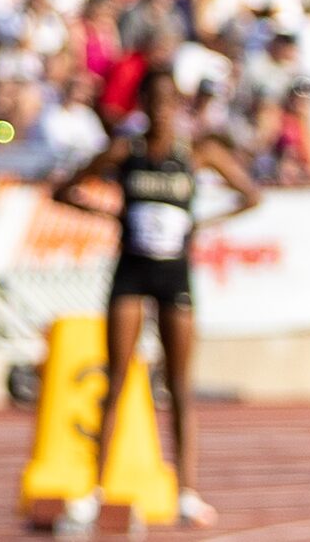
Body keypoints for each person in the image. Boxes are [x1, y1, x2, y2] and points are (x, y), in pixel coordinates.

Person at [50, 66, 262, 533]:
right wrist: (107, 212)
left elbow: (251, 194)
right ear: (142, 105)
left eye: (170, 101)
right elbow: (63, 190)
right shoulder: (127, 150)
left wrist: (202, 225)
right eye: (154, 100)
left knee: (180, 386)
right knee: (118, 378)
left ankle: (187, 491)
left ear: (180, 105)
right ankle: (93, 491)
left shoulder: (197, 153)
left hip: (174, 275)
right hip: (131, 271)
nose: (162, 109)